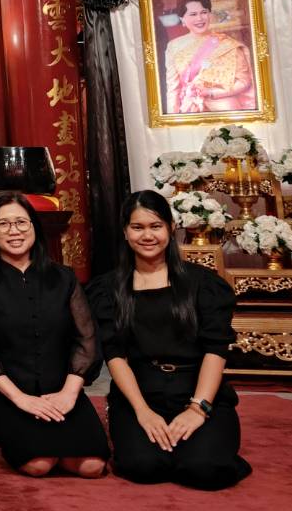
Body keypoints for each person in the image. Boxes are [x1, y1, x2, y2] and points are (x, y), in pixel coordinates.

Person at [88, 190, 251, 491]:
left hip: (196, 389)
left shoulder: (203, 284)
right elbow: (115, 355)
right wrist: (142, 411)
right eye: (138, 227)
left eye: (156, 226)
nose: (147, 235)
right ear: (125, 232)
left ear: (171, 228)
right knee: (144, 467)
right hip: (140, 392)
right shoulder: (108, 289)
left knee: (204, 469)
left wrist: (198, 408)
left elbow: (215, 351)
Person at [0, 193, 108, 477]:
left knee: (92, 466)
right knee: (39, 464)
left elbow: (87, 340)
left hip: (60, 389)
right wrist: (21, 399)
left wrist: (69, 394)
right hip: (5, 394)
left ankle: (59, 440)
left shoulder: (64, 278)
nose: (14, 231)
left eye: (21, 222)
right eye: (3, 224)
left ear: (34, 227)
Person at [163, 0, 254, 114]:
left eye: (204, 12)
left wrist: (211, 93)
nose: (200, 18)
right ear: (182, 18)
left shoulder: (227, 44)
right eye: (193, 14)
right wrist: (172, 119)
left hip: (225, 109)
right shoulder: (173, 46)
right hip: (189, 109)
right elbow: (173, 89)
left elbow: (244, 81)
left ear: (210, 15)